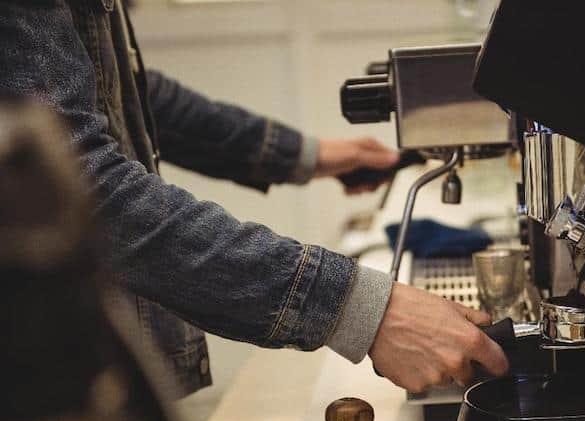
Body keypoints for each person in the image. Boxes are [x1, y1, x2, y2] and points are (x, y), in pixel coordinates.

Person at [0, 0, 509, 400]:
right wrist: (365, 310)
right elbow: (84, 192)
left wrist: (306, 154)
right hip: (46, 412)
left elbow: (126, 90)